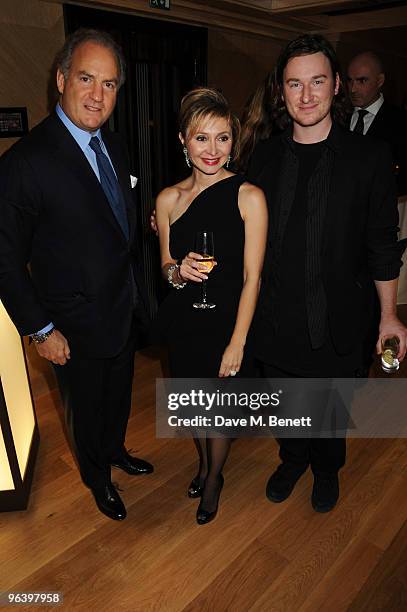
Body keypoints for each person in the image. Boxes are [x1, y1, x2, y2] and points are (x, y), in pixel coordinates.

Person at [242, 34, 407, 513]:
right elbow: (238, 222)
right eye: (295, 84)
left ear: (336, 85)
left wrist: (389, 317)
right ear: (282, 91)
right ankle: (292, 457)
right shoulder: (264, 157)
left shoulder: (369, 157)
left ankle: (327, 468)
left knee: (328, 413)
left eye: (317, 81)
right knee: (286, 403)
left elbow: (382, 245)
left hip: (336, 317)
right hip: (275, 317)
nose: (307, 95)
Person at [0, 29, 153, 521]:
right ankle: (97, 477)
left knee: (117, 398)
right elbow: (3, 258)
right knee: (84, 411)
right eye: (86, 79)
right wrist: (40, 329)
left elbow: (114, 219)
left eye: (109, 84)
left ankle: (114, 452)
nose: (97, 94)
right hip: (71, 325)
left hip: (120, 307)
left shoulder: (114, 143)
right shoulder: (25, 162)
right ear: (62, 79)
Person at [155, 88, 268, 524]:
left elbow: (252, 277)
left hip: (228, 322)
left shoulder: (249, 196)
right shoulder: (167, 199)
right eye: (202, 138)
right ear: (183, 140)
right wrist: (178, 272)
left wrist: (238, 343)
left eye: (223, 138)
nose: (213, 149)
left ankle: (214, 476)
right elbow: (164, 269)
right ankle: (203, 464)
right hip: (185, 321)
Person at [347, 51, 407, 196]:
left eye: (362, 81)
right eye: (350, 80)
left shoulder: (401, 122)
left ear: (380, 81)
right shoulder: (338, 116)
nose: (353, 89)